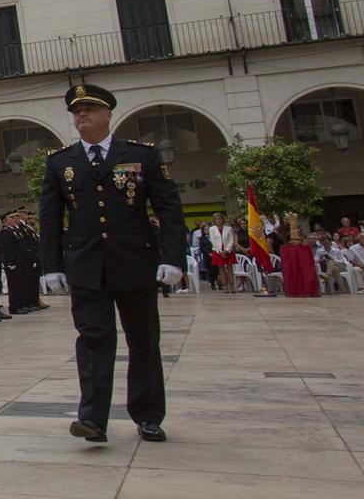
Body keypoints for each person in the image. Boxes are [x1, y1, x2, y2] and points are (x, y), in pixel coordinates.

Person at [39, 83, 185, 445]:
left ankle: (148, 415)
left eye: (89, 108)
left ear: (107, 114)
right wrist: (51, 265)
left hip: (135, 262)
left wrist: (173, 258)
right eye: (76, 111)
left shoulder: (141, 156)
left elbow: (169, 209)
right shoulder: (61, 161)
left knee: (144, 341)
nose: (81, 115)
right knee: (93, 341)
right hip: (87, 266)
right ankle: (92, 419)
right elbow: (51, 217)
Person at [205, 211, 237, 291]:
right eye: (216, 219)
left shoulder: (228, 228)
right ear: (214, 220)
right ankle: (225, 285)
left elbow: (231, 240)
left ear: (222, 219)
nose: (218, 220)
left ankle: (232, 285)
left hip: (228, 250)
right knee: (221, 268)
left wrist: (226, 250)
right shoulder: (212, 229)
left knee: (230, 268)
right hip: (217, 250)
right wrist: (220, 251)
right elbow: (213, 241)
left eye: (220, 218)